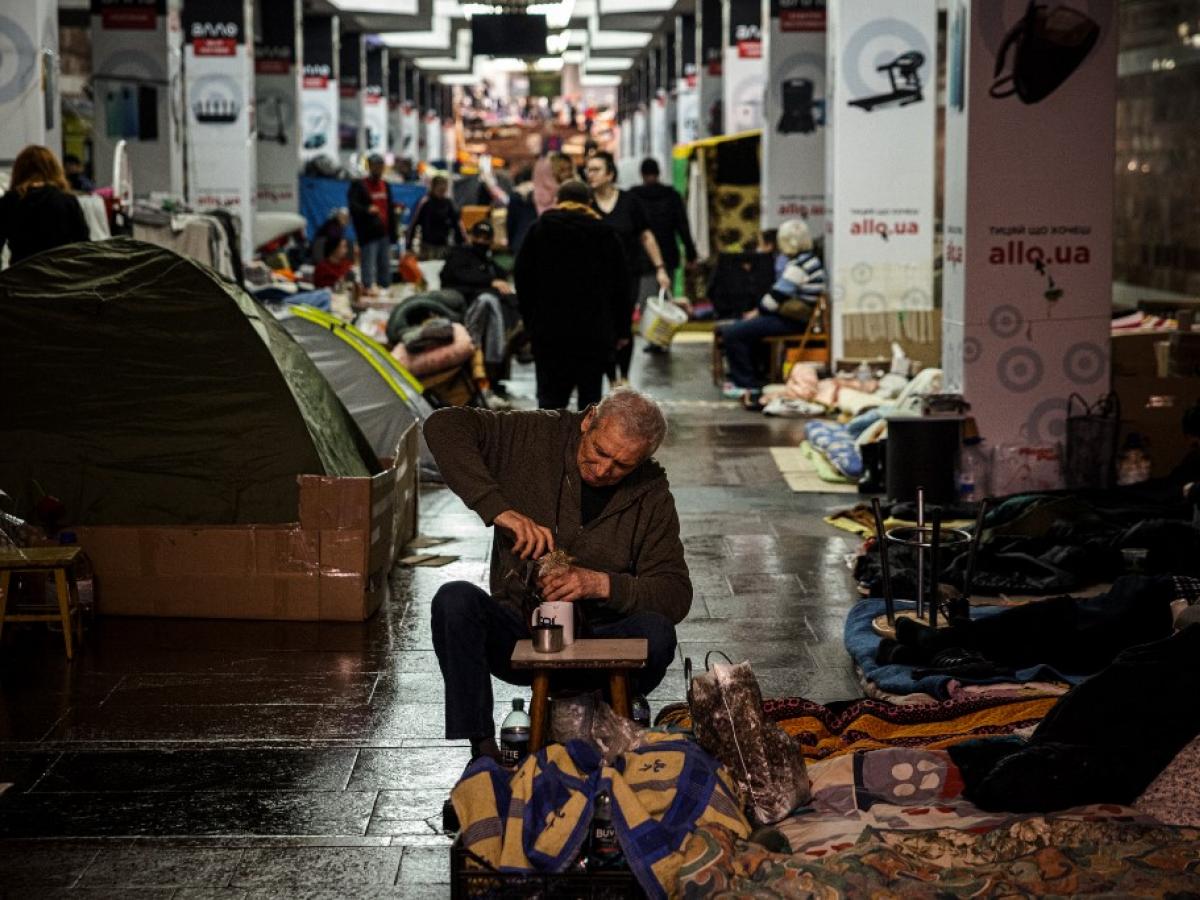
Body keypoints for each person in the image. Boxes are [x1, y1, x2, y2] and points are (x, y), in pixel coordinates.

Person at [426, 387, 691, 761]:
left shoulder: (650, 493)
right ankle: (482, 751)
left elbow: (676, 593)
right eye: (599, 452)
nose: (603, 471)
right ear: (588, 420)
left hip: (602, 641)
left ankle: (600, 717)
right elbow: (443, 425)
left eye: (622, 465)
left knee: (658, 633)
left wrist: (598, 584)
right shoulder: (535, 437)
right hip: (524, 632)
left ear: (643, 460)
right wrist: (499, 510)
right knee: (454, 601)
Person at [514, 180, 630, 410]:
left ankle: (551, 445)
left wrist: (531, 323)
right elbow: (621, 286)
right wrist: (621, 330)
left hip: (549, 334)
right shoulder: (605, 234)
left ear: (558, 201)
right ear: (589, 203)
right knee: (589, 404)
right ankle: (583, 447)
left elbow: (522, 280)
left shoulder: (539, 230)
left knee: (550, 404)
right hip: (593, 335)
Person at [585, 151, 672, 383]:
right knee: (604, 327)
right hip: (595, 278)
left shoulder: (630, 201)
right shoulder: (586, 203)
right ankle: (610, 377)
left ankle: (623, 376)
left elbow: (646, 236)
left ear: (610, 174)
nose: (590, 174)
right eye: (588, 170)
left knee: (623, 326)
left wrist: (660, 268)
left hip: (627, 276)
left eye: (595, 169)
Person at [718, 218, 826, 405]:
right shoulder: (811, 260)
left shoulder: (799, 266)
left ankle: (746, 383)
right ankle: (751, 378)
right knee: (744, 329)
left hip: (792, 321)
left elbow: (774, 298)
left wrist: (756, 312)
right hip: (796, 318)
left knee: (733, 333)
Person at [630, 157, 699, 353]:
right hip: (668, 254)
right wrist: (691, 254)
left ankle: (651, 338)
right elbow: (683, 227)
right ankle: (662, 338)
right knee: (665, 298)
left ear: (642, 174)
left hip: (643, 256)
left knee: (646, 299)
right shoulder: (672, 196)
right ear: (658, 173)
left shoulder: (634, 196)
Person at [440, 220, 513, 392]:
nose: (480, 241)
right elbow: (459, 275)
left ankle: (493, 376)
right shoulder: (459, 254)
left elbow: (500, 277)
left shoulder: (488, 261)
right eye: (477, 236)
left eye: (485, 237)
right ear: (471, 236)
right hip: (465, 308)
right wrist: (489, 282)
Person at [0, 145, 90, 266]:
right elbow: (84, 247)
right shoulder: (67, 200)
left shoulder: (8, 201)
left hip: (21, 277)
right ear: (54, 169)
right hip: (60, 277)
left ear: (19, 170)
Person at [347, 154, 398, 292]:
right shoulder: (360, 185)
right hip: (369, 234)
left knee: (385, 268)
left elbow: (390, 210)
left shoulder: (385, 185)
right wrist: (367, 209)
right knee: (368, 268)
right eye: (376, 166)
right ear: (369, 167)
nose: (379, 169)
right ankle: (368, 292)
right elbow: (353, 206)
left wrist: (394, 234)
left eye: (381, 166)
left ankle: (384, 292)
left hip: (384, 233)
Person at [405, 174, 466, 260]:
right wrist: (408, 246)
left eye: (444, 189)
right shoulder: (425, 203)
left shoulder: (448, 203)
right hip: (427, 245)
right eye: (440, 189)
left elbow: (457, 224)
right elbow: (413, 224)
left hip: (443, 244)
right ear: (433, 188)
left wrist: (461, 243)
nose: (442, 192)